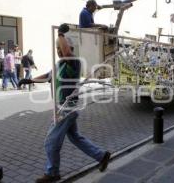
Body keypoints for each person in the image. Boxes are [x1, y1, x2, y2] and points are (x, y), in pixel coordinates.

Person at [19, 23, 111, 183]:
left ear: (66, 46)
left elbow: (67, 53)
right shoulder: (59, 64)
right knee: (75, 137)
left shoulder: (73, 61)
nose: (58, 51)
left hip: (67, 107)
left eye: (59, 48)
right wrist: (29, 80)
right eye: (57, 48)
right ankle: (101, 156)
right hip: (64, 106)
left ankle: (52, 173)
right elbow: (47, 76)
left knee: (51, 141)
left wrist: (60, 34)